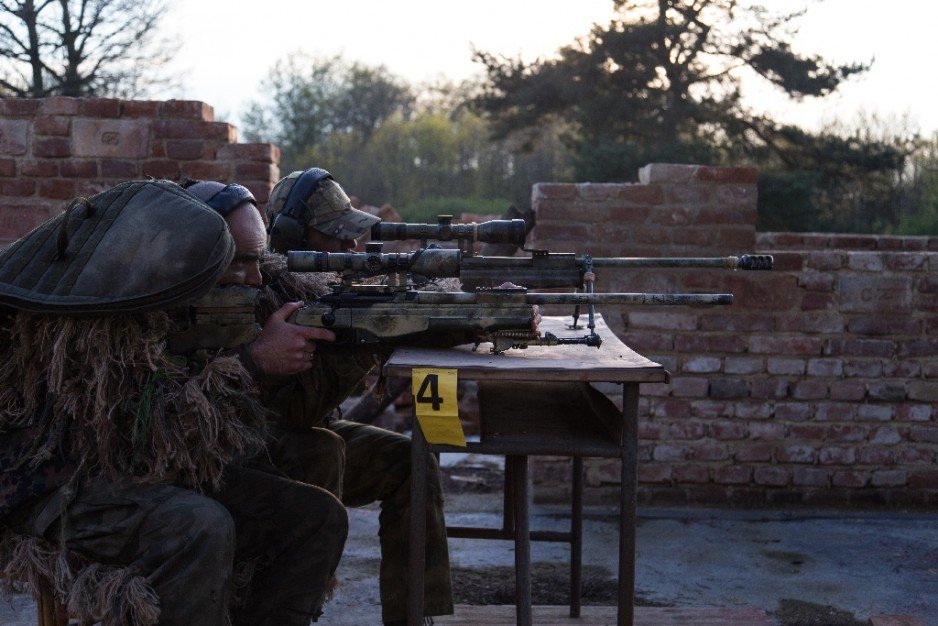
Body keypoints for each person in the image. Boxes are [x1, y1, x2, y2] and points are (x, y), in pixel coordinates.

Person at [0, 179, 347, 626]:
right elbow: (133, 441)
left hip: (135, 471)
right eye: (238, 262)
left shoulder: (197, 301)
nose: (256, 279)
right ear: (188, 255)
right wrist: (254, 363)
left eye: (256, 262)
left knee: (315, 517)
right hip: (53, 484)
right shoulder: (107, 319)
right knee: (200, 525)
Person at [188, 168, 455, 626]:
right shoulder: (266, 290)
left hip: (303, 433)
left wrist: (491, 312)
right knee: (321, 449)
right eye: (336, 237)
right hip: (255, 448)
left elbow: (418, 318)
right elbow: (298, 411)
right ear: (292, 236)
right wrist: (369, 338)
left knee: (412, 463)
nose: (352, 248)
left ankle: (414, 615)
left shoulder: (328, 286)